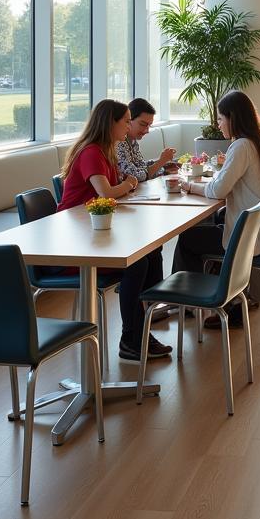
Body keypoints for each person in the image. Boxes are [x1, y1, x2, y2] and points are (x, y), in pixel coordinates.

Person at [58, 98, 172, 362]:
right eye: (126, 121)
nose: (129, 126)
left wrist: (127, 183)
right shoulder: (91, 152)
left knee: (151, 252)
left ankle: (142, 328)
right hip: (74, 243)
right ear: (112, 123)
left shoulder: (106, 150)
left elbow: (113, 190)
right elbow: (107, 192)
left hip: (94, 231)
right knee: (137, 263)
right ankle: (131, 340)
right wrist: (129, 183)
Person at [172, 90, 260, 327]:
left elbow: (218, 190)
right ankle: (231, 299)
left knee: (189, 239)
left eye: (221, 119)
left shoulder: (242, 146)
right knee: (215, 222)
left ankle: (191, 301)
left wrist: (189, 186)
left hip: (250, 236)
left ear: (233, 118)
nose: (219, 124)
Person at [117, 97, 177, 182]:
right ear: (128, 120)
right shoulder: (119, 143)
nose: (147, 130)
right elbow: (136, 177)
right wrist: (161, 162)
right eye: (143, 124)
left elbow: (141, 166)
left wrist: (163, 165)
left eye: (149, 125)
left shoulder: (133, 142)